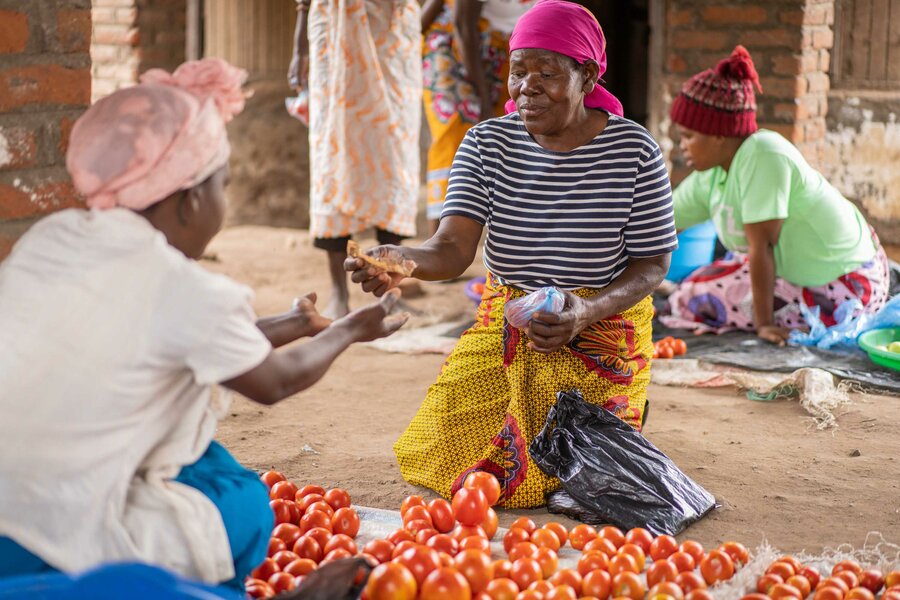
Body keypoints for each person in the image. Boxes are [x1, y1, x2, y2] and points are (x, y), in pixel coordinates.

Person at [0, 58, 407, 588]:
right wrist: (352, 327)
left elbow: (173, 341)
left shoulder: (54, 239)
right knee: (244, 503)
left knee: (204, 459)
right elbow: (273, 381)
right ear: (191, 199)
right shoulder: (179, 284)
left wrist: (294, 322)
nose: (223, 201)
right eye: (224, 186)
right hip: (44, 532)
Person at [346, 0, 678, 508]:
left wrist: (584, 311)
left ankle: (621, 412)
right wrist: (401, 259)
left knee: (566, 470)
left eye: (547, 73)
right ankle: (610, 422)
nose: (527, 87)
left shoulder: (634, 151)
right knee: (436, 453)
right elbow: (452, 248)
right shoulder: (486, 143)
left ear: (587, 76)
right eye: (518, 72)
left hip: (601, 329)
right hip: (509, 322)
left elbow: (652, 264)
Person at [661, 46, 890, 345]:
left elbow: (762, 249)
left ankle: (771, 315)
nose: (682, 147)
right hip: (794, 274)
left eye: (689, 136)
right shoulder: (713, 174)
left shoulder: (763, 154)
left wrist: (764, 325)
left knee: (693, 301)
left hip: (848, 282)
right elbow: (661, 222)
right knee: (689, 288)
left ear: (718, 134)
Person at [288, 0, 422, 318]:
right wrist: (300, 46)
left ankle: (390, 288)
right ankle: (339, 293)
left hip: (391, 34)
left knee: (394, 156)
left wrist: (415, 26)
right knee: (333, 155)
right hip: (333, 30)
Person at [421, 0, 536, 235]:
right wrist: (483, 102)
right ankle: (441, 242)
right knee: (455, 132)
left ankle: (515, 232)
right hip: (456, 45)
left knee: (516, 133)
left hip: (505, 47)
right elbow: (463, 26)